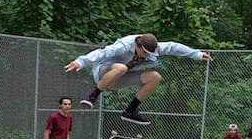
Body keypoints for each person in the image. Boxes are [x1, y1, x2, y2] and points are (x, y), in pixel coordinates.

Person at [64, 33, 212, 126]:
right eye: (144, 53)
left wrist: (197, 55)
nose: (146, 56)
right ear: (138, 45)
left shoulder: (155, 47)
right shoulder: (123, 45)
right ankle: (92, 96)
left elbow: (175, 47)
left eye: (149, 54)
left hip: (121, 78)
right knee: (121, 67)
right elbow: (102, 53)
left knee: (155, 77)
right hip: (104, 73)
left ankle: (130, 111)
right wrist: (81, 61)